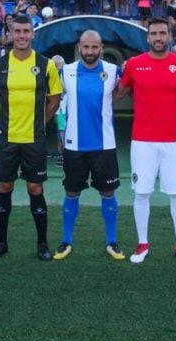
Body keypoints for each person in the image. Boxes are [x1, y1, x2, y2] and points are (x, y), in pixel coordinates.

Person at [115, 18, 176, 264]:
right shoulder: (134, 65)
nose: (158, 38)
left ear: (170, 36)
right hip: (142, 141)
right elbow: (119, 93)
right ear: (148, 37)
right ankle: (142, 244)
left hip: (173, 141)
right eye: (154, 34)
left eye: (163, 33)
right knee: (142, 194)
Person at [0, 15, 62, 261]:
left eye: (26, 31)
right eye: (17, 31)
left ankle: (42, 244)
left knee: (35, 187)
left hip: (33, 138)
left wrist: (40, 122)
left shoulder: (45, 64)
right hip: (7, 137)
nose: (21, 35)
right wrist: (3, 120)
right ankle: (1, 243)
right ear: (11, 32)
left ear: (33, 34)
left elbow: (54, 100)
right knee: (4, 186)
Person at [52, 31, 124, 261]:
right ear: (79, 47)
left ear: (101, 47)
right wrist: (60, 133)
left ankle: (112, 242)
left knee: (108, 192)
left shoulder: (113, 71)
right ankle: (66, 241)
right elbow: (56, 100)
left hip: (105, 145)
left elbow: (127, 88)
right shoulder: (67, 71)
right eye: (86, 47)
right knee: (71, 191)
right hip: (74, 145)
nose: (90, 52)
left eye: (95, 47)